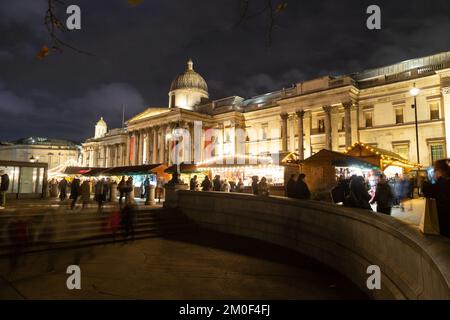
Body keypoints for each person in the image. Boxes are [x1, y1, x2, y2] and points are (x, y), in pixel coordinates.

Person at [422, 160, 450, 238]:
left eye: (434, 171)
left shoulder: (441, 185)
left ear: (439, 171)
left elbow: (426, 190)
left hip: (445, 222)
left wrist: (428, 179)